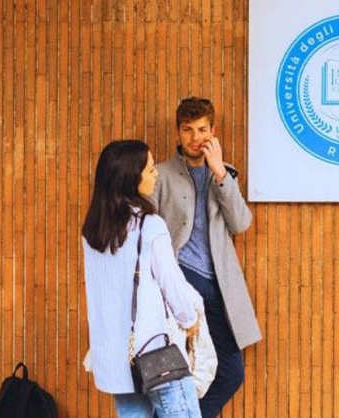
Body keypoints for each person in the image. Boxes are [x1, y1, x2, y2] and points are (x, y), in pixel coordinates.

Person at [151, 97, 260, 418]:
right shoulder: (160, 175)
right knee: (172, 373)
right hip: (180, 283)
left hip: (219, 287)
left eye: (202, 130)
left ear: (213, 131)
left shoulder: (223, 174)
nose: (195, 137)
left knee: (230, 372)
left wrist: (219, 172)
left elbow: (241, 223)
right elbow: (145, 230)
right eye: (188, 130)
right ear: (178, 132)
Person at [81, 139, 202, 418]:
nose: (156, 174)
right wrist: (189, 320)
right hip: (154, 353)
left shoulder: (92, 232)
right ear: (131, 177)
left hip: (115, 359)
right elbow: (171, 282)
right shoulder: (149, 225)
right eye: (149, 170)